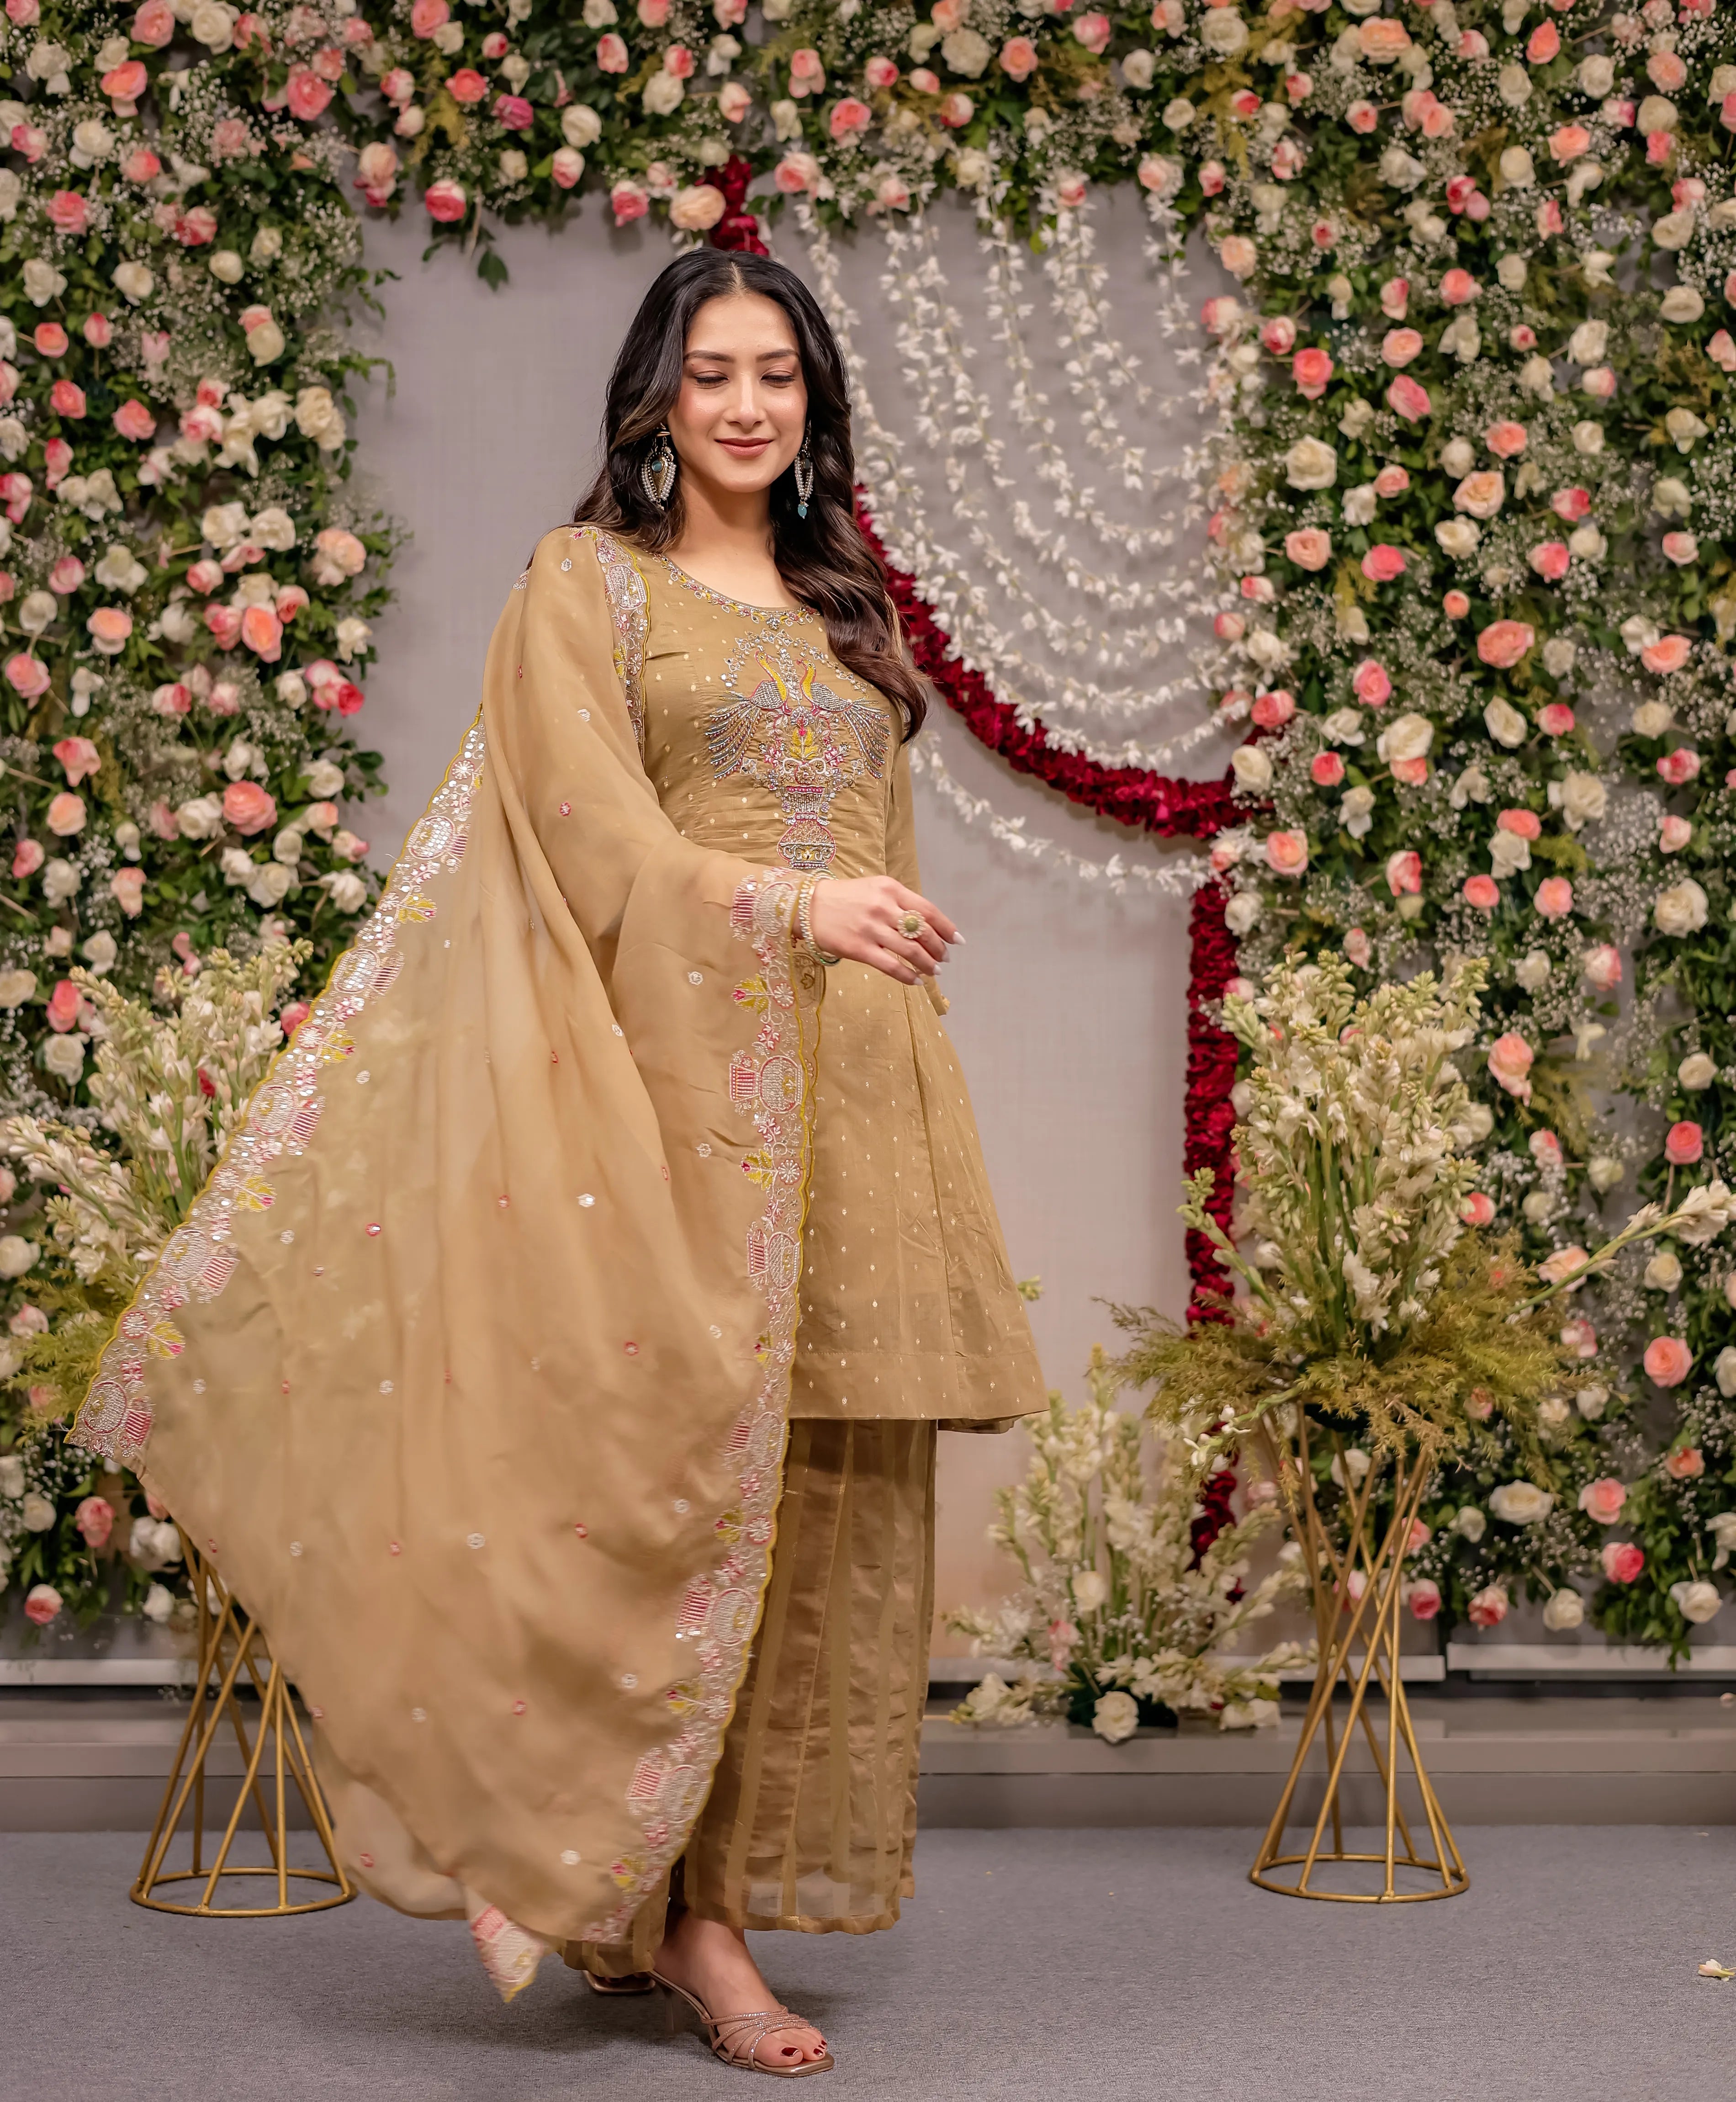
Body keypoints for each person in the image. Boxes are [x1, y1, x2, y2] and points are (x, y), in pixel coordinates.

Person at [71, 250, 1046, 2076]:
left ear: (812, 403)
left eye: (779, 374)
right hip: (669, 1103)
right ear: (654, 399)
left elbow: (884, 851)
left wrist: (866, 949)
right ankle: (613, 1878)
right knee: (646, 1485)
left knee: (824, 1507)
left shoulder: (848, 612)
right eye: (712, 373)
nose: (748, 403)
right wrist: (786, 900)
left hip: (861, 1091)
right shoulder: (585, 584)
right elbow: (582, 839)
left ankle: (708, 1912)